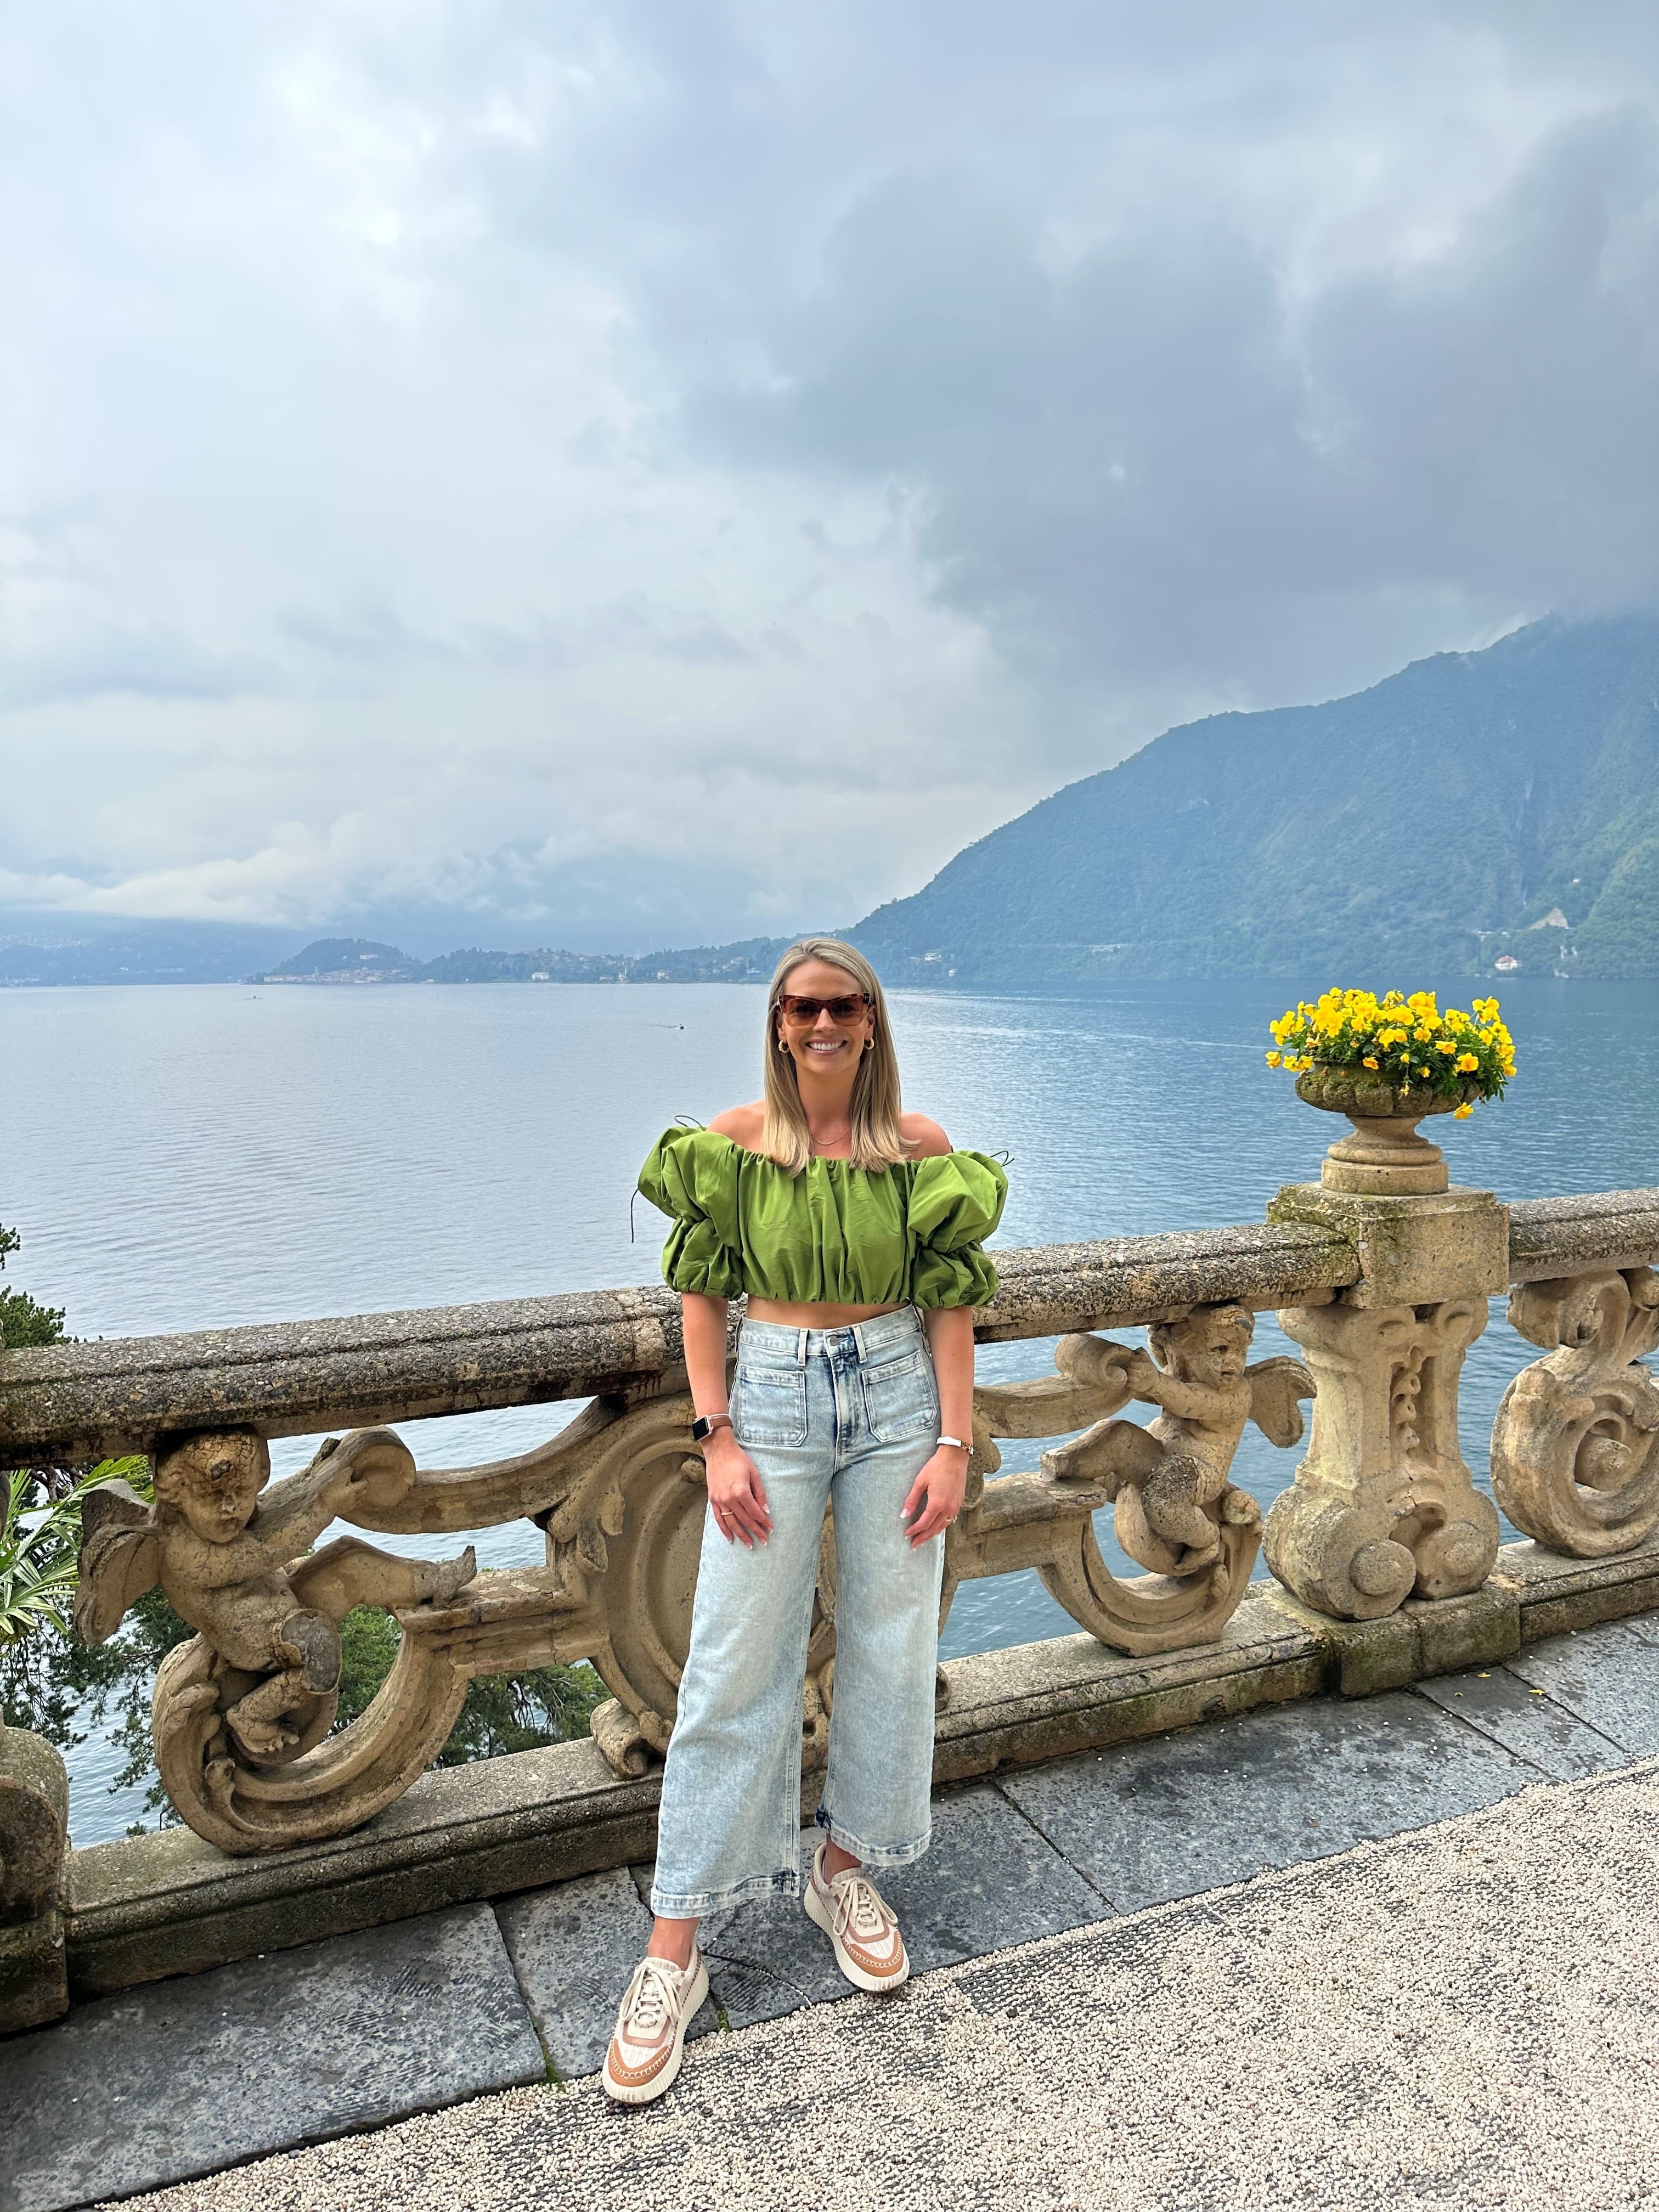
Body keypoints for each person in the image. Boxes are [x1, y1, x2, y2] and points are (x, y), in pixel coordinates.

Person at [603, 938, 1007, 2104]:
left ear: (872, 1023)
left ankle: (846, 1863)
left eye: (843, 1006)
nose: (822, 1024)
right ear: (779, 1025)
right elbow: (699, 1297)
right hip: (771, 1393)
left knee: (893, 1646)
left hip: (895, 1399)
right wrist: (715, 1434)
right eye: (801, 1007)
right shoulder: (734, 1147)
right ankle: (674, 1948)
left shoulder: (918, 1152)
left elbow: (950, 1306)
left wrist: (951, 1440)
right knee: (735, 1665)